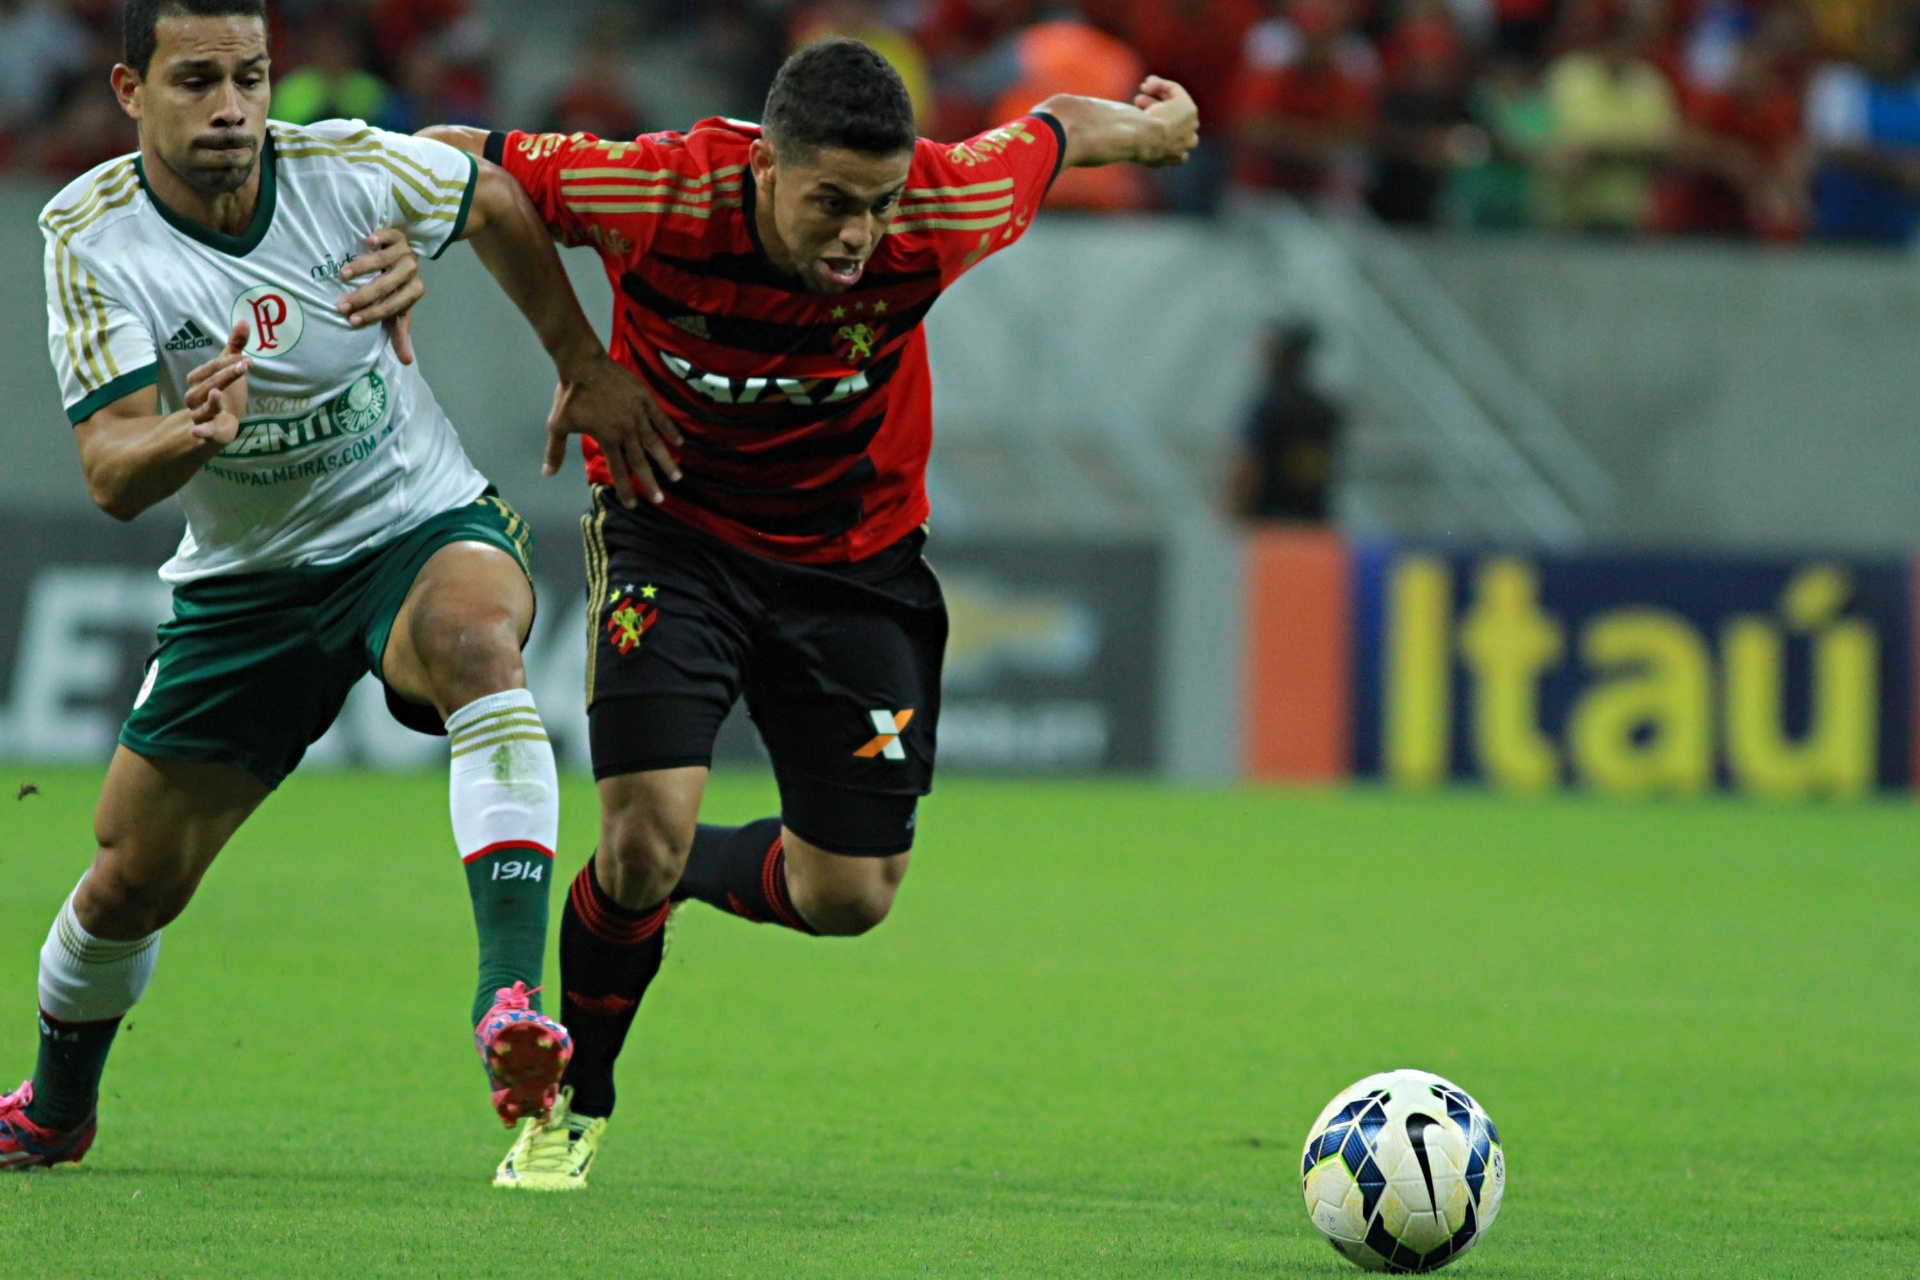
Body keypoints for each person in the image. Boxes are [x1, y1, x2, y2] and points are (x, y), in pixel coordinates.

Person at [420, 35, 1199, 1191]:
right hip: (671, 532)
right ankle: (573, 1107)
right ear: (765, 165)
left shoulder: (950, 200)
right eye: (831, 200)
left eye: (877, 205)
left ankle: (676, 874)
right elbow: (453, 163)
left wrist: (1154, 129)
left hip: (854, 561)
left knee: (851, 896)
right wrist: (579, 354)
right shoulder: (657, 187)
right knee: (637, 834)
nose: (858, 233)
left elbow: (1060, 132)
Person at [0, 0, 661, 1173]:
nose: (231, 107)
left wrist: (583, 364)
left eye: (249, 76)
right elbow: (111, 468)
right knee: (126, 882)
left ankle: (509, 997)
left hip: (414, 521)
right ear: (127, 90)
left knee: (478, 645)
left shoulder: (345, 167)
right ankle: (54, 1108)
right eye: (196, 79)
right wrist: (190, 438)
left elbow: (497, 198)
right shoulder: (89, 232)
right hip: (246, 584)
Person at [1228, 320, 1342, 522]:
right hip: (1313, 523)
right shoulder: (1324, 410)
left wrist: (1235, 512)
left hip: (1269, 524)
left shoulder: (1269, 407)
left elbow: (1251, 465)